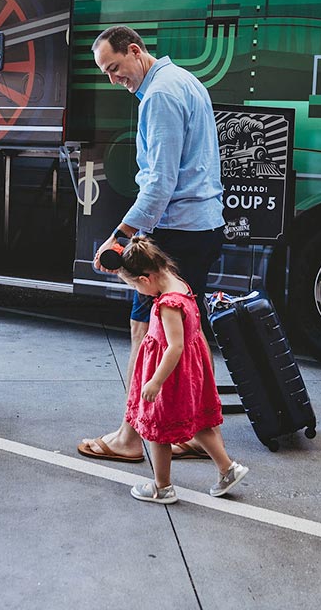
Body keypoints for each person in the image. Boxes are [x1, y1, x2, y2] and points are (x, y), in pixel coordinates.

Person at [77, 25, 226, 464]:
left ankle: (128, 436)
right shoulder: (185, 79)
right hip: (200, 228)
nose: (112, 79)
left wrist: (120, 237)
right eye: (105, 72)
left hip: (176, 232)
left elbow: (160, 183)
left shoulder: (160, 95)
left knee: (146, 333)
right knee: (187, 335)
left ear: (136, 51)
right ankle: (201, 433)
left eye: (115, 68)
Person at [115, 237, 249, 503]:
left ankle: (162, 487)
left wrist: (155, 381)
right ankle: (228, 469)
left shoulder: (168, 303)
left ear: (145, 279)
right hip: (189, 370)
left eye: (134, 286)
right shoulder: (180, 284)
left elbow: (174, 347)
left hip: (170, 374)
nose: (139, 293)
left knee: (159, 429)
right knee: (198, 422)